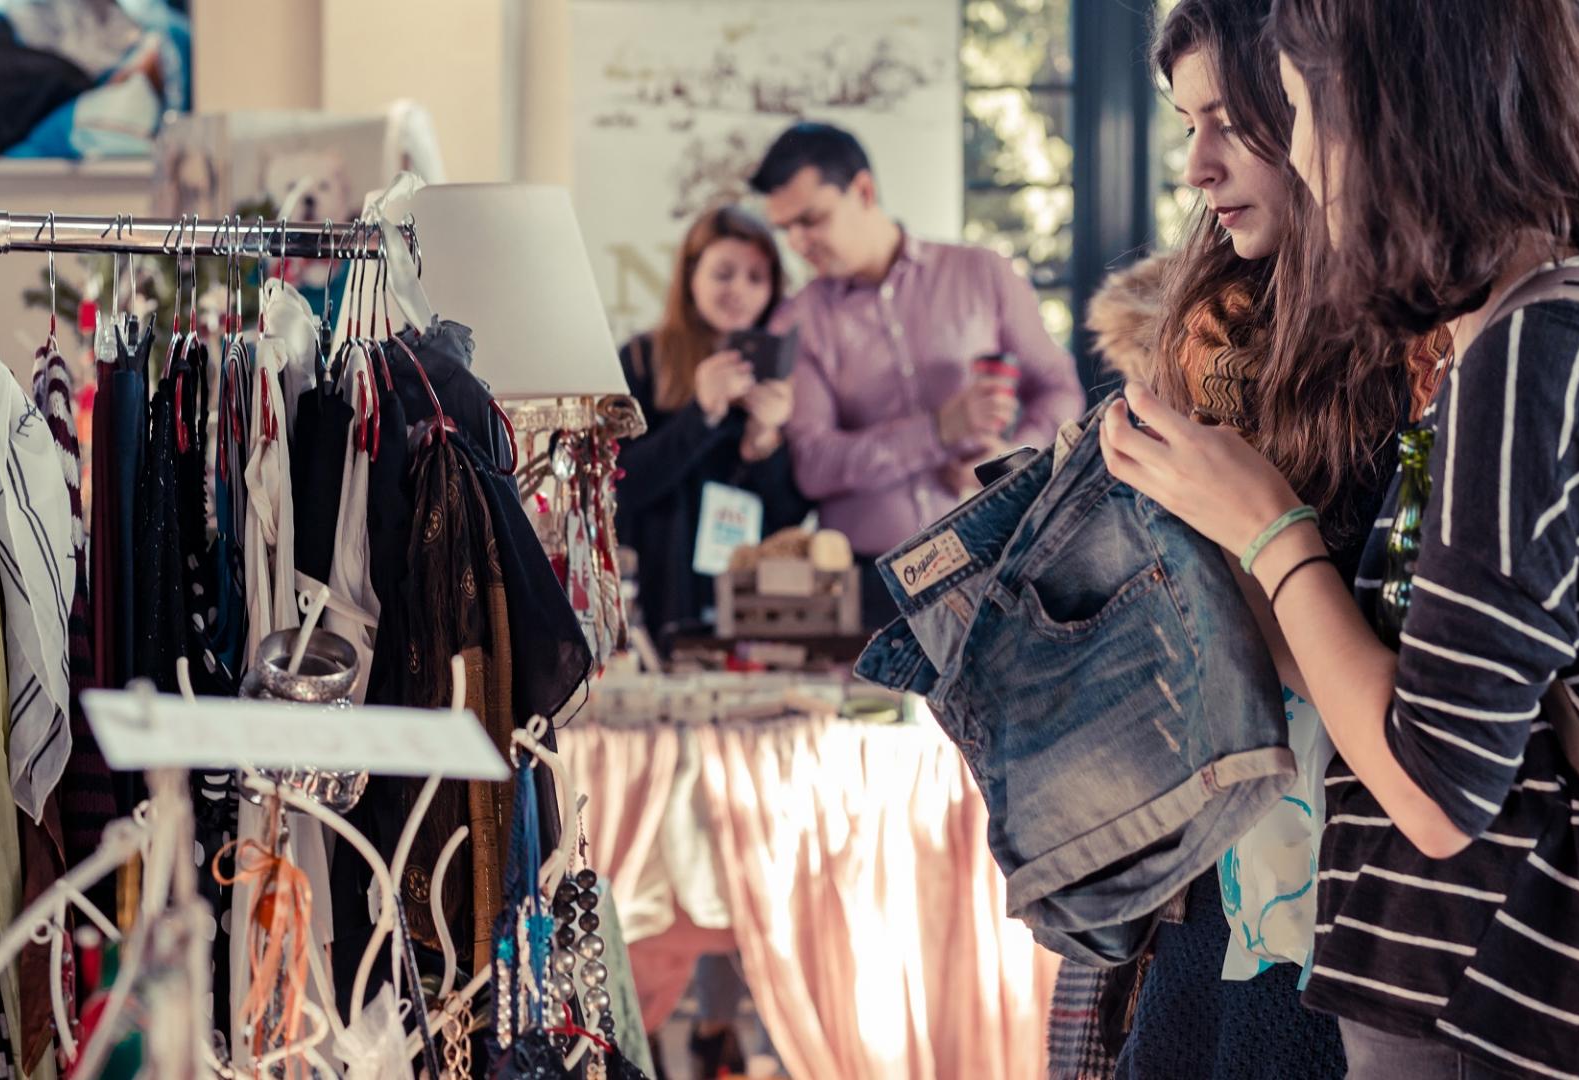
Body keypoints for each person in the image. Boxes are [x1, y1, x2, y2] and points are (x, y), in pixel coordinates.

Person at [1103, 1, 1579, 1076]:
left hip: (1502, 1018)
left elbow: (1436, 794)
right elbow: (1422, 690)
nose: (1295, 148)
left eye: (1292, 111)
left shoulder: (1533, 355)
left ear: (1387, 119)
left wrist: (1267, 523)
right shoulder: (1559, 326)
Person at [1064, 3, 1435, 1077]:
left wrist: (1236, 548)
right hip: (1205, 876)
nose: (1196, 166)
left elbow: (1409, 710)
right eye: (1186, 124)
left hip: (1349, 892)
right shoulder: (1202, 343)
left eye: (1230, 121)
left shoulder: (1431, 359)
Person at [749, 121, 1085, 627]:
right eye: (785, 229)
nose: (797, 243)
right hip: (873, 594)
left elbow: (1059, 390)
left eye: (811, 219)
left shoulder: (983, 273)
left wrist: (1009, 464)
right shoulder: (797, 322)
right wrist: (937, 432)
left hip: (1002, 568)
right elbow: (814, 464)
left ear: (863, 190)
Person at [614, 205, 810, 652]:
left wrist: (764, 443)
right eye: (723, 273)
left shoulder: (783, 372)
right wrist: (700, 414)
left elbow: (787, 524)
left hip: (747, 616)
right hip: (654, 606)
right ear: (690, 276)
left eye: (756, 278)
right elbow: (622, 485)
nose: (739, 290)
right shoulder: (643, 359)